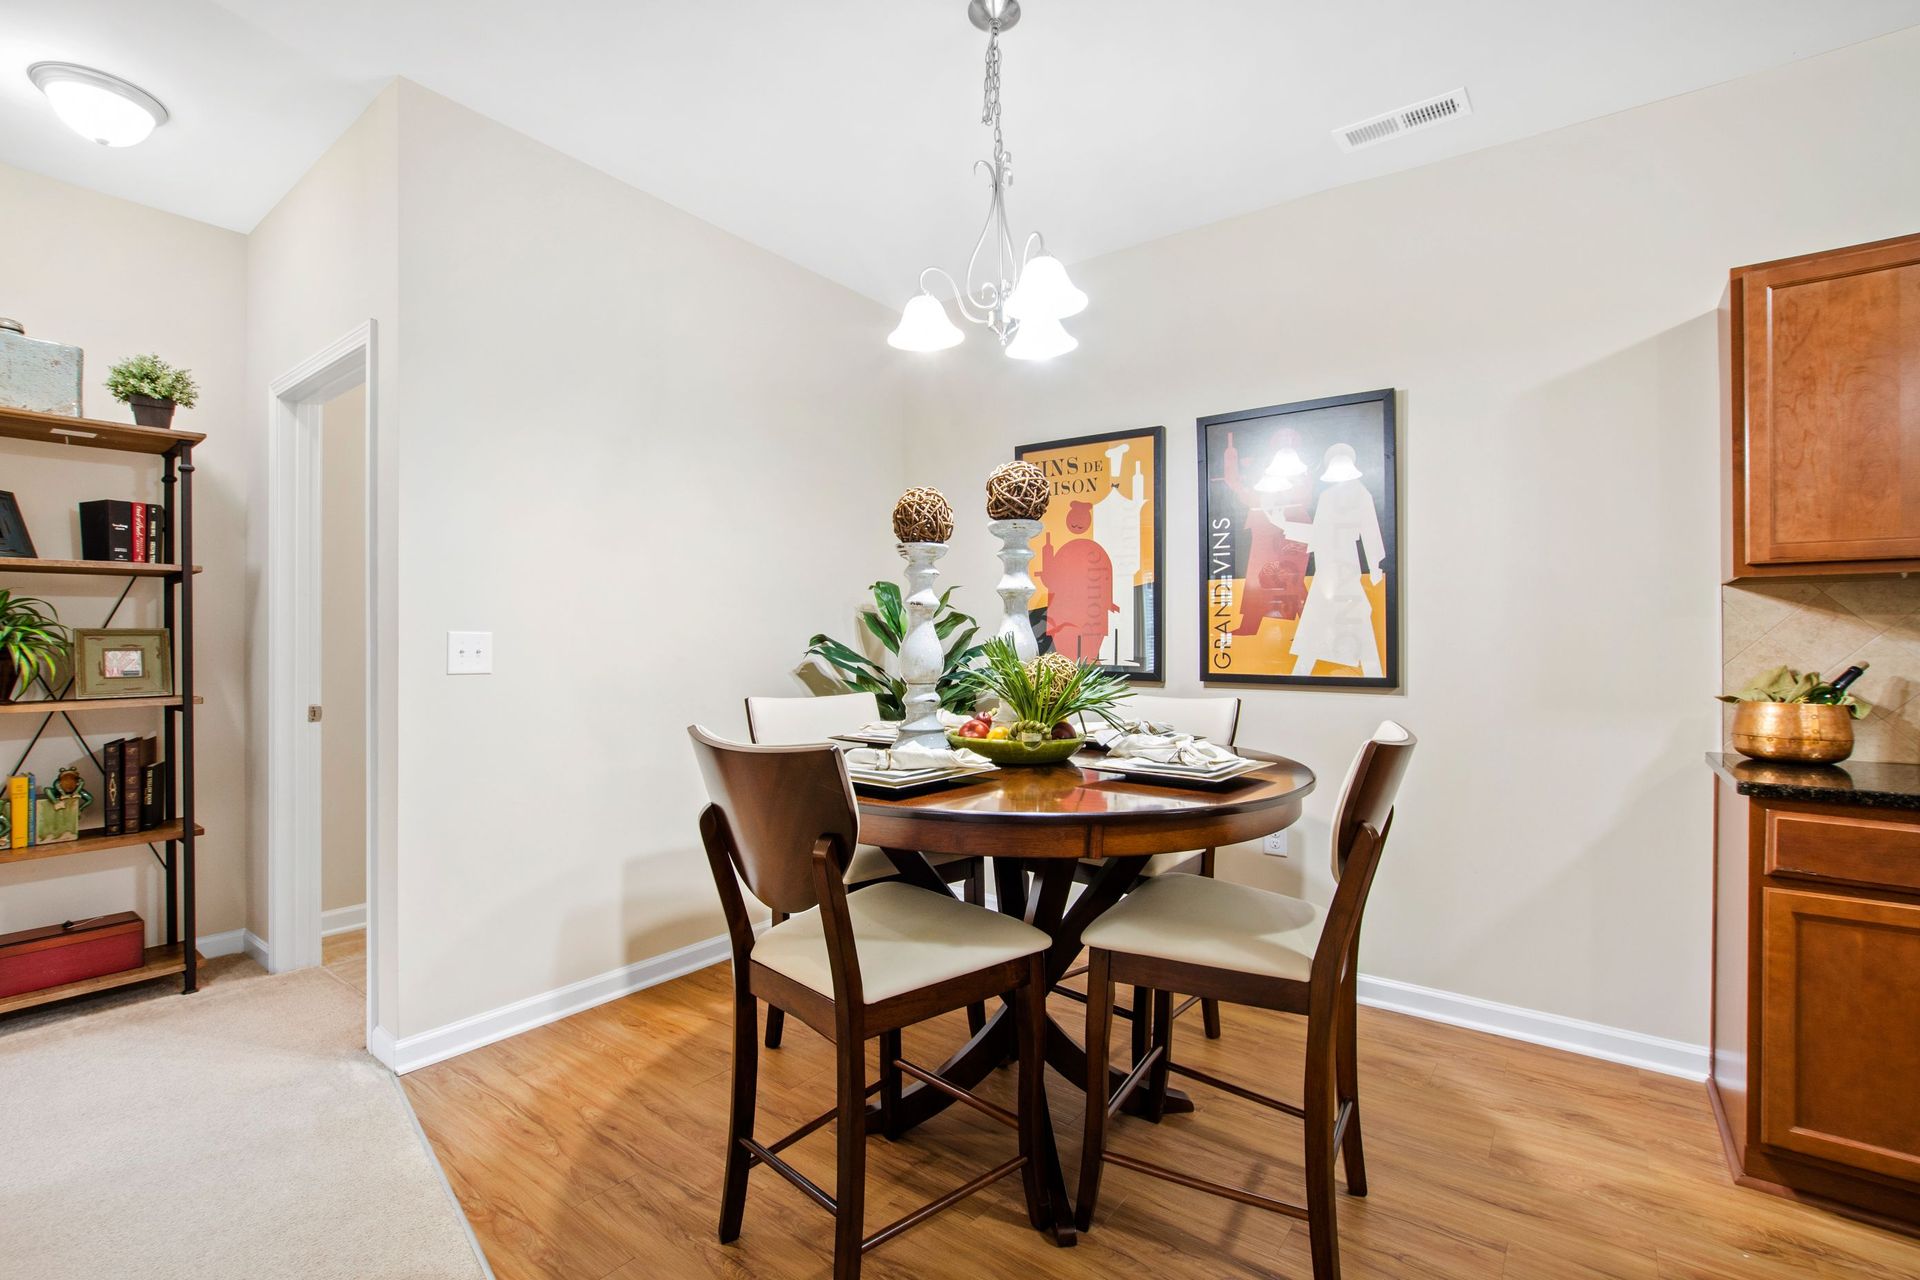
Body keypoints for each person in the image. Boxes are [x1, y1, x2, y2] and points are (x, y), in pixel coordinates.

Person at [1281, 443, 1387, 677]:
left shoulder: (1361, 494)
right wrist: (1285, 527)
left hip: (1344, 562)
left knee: (1345, 613)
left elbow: (1370, 531)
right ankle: (1372, 673)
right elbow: (1320, 533)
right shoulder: (1328, 496)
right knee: (1327, 616)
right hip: (1329, 563)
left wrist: (1376, 565)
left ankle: (1373, 673)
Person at [1035, 500, 1117, 662]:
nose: (1078, 524)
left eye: (1082, 519)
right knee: (1069, 652)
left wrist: (1107, 601)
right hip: (1066, 614)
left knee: (1086, 652)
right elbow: (1051, 581)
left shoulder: (1094, 551)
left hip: (1089, 614)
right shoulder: (1068, 551)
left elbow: (1105, 578)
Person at [1090, 442, 1147, 666]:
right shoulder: (1109, 509)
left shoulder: (1117, 509)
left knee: (1121, 614)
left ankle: (1120, 654)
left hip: (1123, 569)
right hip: (1113, 571)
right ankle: (1109, 653)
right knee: (1111, 616)